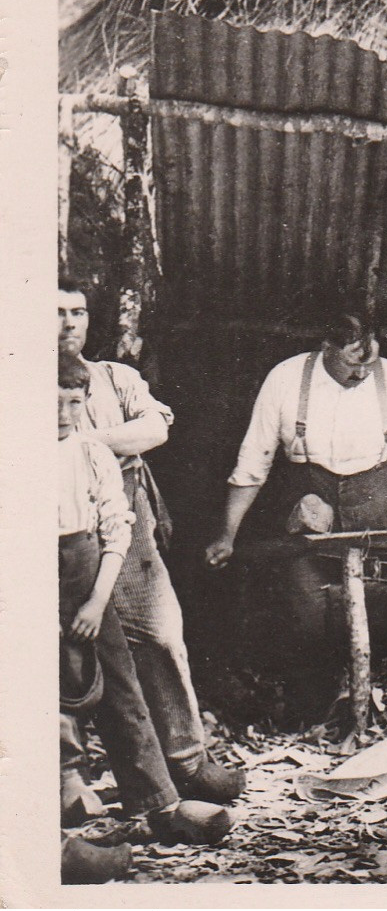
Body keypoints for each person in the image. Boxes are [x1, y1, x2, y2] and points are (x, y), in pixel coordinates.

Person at [204, 312, 387, 716]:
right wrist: (227, 533)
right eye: (353, 363)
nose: (362, 373)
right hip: (310, 520)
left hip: (383, 515)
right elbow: (253, 464)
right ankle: (315, 717)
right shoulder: (285, 381)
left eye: (370, 363)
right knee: (308, 617)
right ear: (326, 349)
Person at [58, 278, 243, 805]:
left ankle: (187, 761)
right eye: (57, 313)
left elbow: (155, 428)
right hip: (58, 531)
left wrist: (82, 443)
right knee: (65, 654)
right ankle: (72, 782)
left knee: (160, 635)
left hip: (123, 518)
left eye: (78, 312)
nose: (69, 323)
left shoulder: (115, 377)